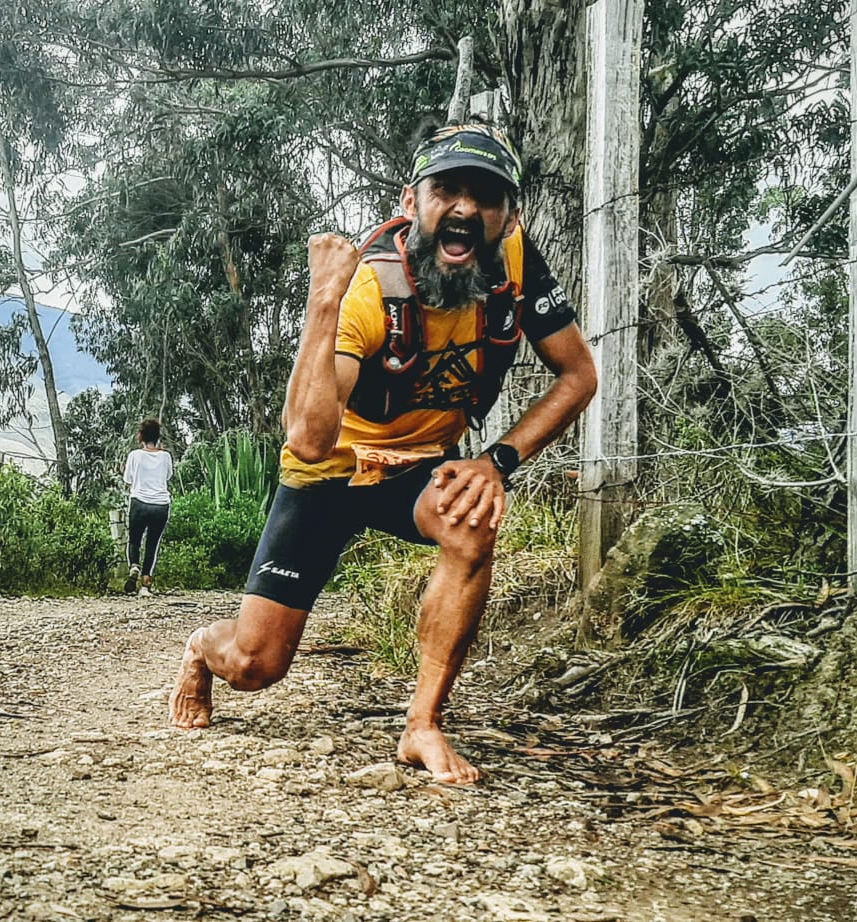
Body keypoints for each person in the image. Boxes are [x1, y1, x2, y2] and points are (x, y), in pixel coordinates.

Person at [169, 123, 598, 783]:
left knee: (471, 518)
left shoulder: (515, 264)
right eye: (446, 190)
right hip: (327, 472)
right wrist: (322, 301)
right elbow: (308, 437)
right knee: (256, 667)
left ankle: (422, 724)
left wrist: (496, 462)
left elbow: (578, 376)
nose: (464, 208)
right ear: (410, 202)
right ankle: (203, 646)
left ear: (509, 215)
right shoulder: (372, 288)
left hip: (418, 465)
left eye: (485, 196)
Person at [123, 417, 173, 597]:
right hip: (160, 505)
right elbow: (168, 477)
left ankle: (134, 566)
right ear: (158, 437)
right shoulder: (165, 456)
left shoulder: (134, 456)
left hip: (139, 503)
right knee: (152, 544)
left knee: (134, 540)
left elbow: (127, 480)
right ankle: (145, 585)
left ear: (141, 436)